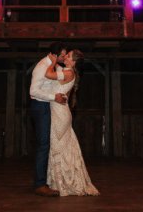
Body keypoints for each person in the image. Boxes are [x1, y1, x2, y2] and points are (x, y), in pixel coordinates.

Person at [44, 49, 99, 196]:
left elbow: (48, 74)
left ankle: (63, 183)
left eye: (67, 56)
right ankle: (58, 181)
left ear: (73, 62)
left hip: (60, 113)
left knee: (58, 146)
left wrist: (53, 62)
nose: (65, 56)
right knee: (62, 146)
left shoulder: (69, 73)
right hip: (59, 110)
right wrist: (56, 63)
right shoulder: (66, 70)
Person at [29, 42, 68, 197]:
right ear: (54, 54)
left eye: (66, 55)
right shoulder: (41, 67)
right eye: (63, 55)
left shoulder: (53, 65)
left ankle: (44, 179)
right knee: (43, 144)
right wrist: (54, 97)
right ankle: (39, 184)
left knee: (46, 144)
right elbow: (33, 91)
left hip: (48, 106)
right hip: (40, 107)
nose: (64, 57)